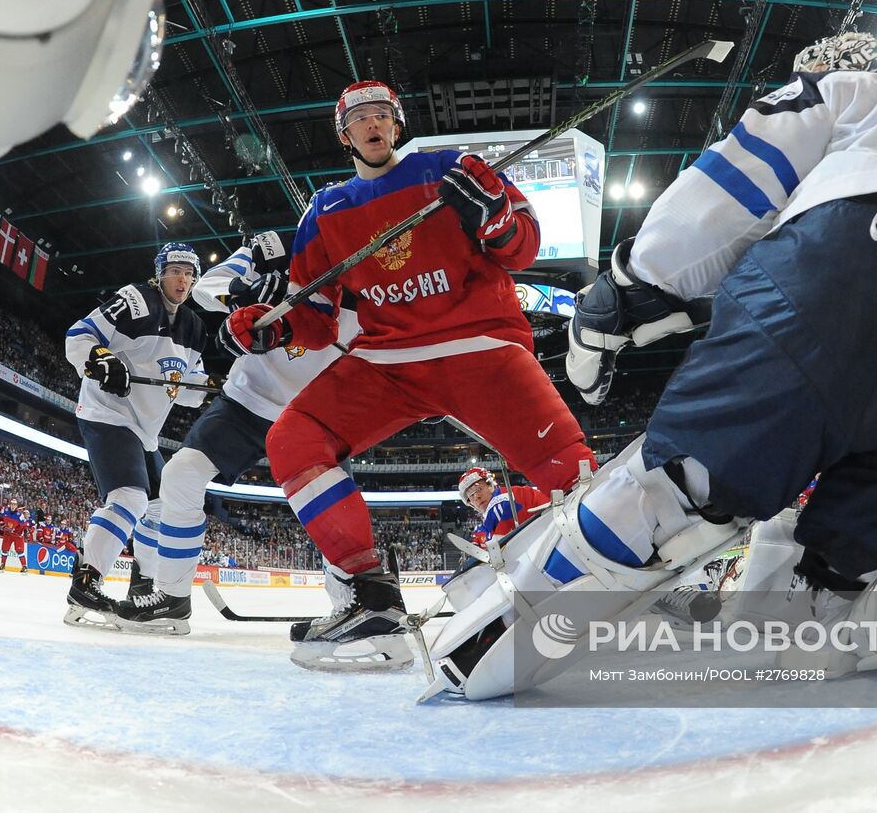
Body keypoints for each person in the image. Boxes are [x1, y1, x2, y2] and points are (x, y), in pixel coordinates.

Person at [426, 33, 877, 700]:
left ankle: (490, 641)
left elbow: (738, 181)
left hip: (847, 276)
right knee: (839, 576)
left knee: (671, 488)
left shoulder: (847, 92)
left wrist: (627, 286)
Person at [220, 80, 597, 668]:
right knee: (294, 439)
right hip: (387, 363)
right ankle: (372, 601)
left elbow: (522, 250)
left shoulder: (452, 170)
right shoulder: (325, 211)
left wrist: (494, 215)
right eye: (359, 119)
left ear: (396, 125)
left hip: (479, 346)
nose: (372, 125)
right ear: (344, 135)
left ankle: (609, 578)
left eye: (381, 115)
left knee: (572, 472)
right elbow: (316, 320)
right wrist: (271, 327)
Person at [114, 232, 362, 645]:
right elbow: (208, 284)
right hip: (249, 398)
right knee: (180, 475)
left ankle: (349, 606)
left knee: (334, 510)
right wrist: (240, 296)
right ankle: (172, 600)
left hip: (319, 410)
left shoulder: (370, 275)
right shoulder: (278, 250)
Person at [62, 243, 210, 628]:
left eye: (189, 273)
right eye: (176, 270)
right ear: (159, 273)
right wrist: (100, 359)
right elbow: (78, 336)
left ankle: (143, 585)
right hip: (107, 413)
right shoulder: (134, 301)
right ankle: (86, 582)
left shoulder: (194, 328)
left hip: (144, 432)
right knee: (129, 497)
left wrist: (216, 385)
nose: (183, 279)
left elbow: (190, 392)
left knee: (159, 507)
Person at [458, 466, 546, 549]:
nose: (476, 496)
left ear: (490, 485)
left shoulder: (498, 502)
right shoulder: (505, 495)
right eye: (471, 495)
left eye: (478, 489)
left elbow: (500, 555)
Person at [0, 499, 28, 573]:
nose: (13, 506)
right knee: (4, 549)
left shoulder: (20, 515)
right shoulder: (5, 510)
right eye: (12, 504)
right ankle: (3, 565)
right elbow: (0, 518)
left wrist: (25, 533)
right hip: (8, 534)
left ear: (16, 506)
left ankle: (24, 567)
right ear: (10, 504)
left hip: (17, 535)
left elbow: (25, 525)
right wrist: (2, 525)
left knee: (20, 550)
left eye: (14, 505)